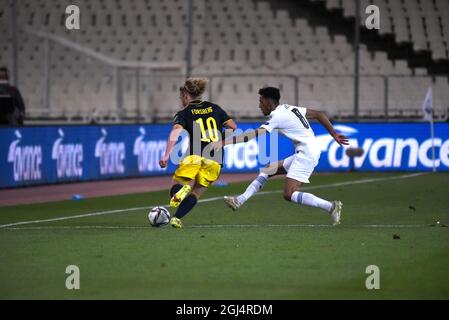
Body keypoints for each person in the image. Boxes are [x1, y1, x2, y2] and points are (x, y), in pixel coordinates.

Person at [215, 87, 349, 225]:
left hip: (307, 154)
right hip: (306, 151)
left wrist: (224, 143)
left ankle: (331, 207)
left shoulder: (277, 116)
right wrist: (334, 134)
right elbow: (319, 114)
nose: (259, 105)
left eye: (261, 101)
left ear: (268, 102)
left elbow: (252, 135)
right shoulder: (289, 108)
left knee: (289, 194)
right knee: (269, 169)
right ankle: (240, 200)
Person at [159, 78, 237, 228]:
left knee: (175, 189)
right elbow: (233, 126)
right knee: (197, 193)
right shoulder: (215, 108)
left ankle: (182, 190)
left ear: (186, 95)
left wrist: (166, 155)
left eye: (181, 97)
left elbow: (176, 132)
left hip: (195, 154)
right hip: (216, 158)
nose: (181, 100)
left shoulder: (184, 112)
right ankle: (177, 218)